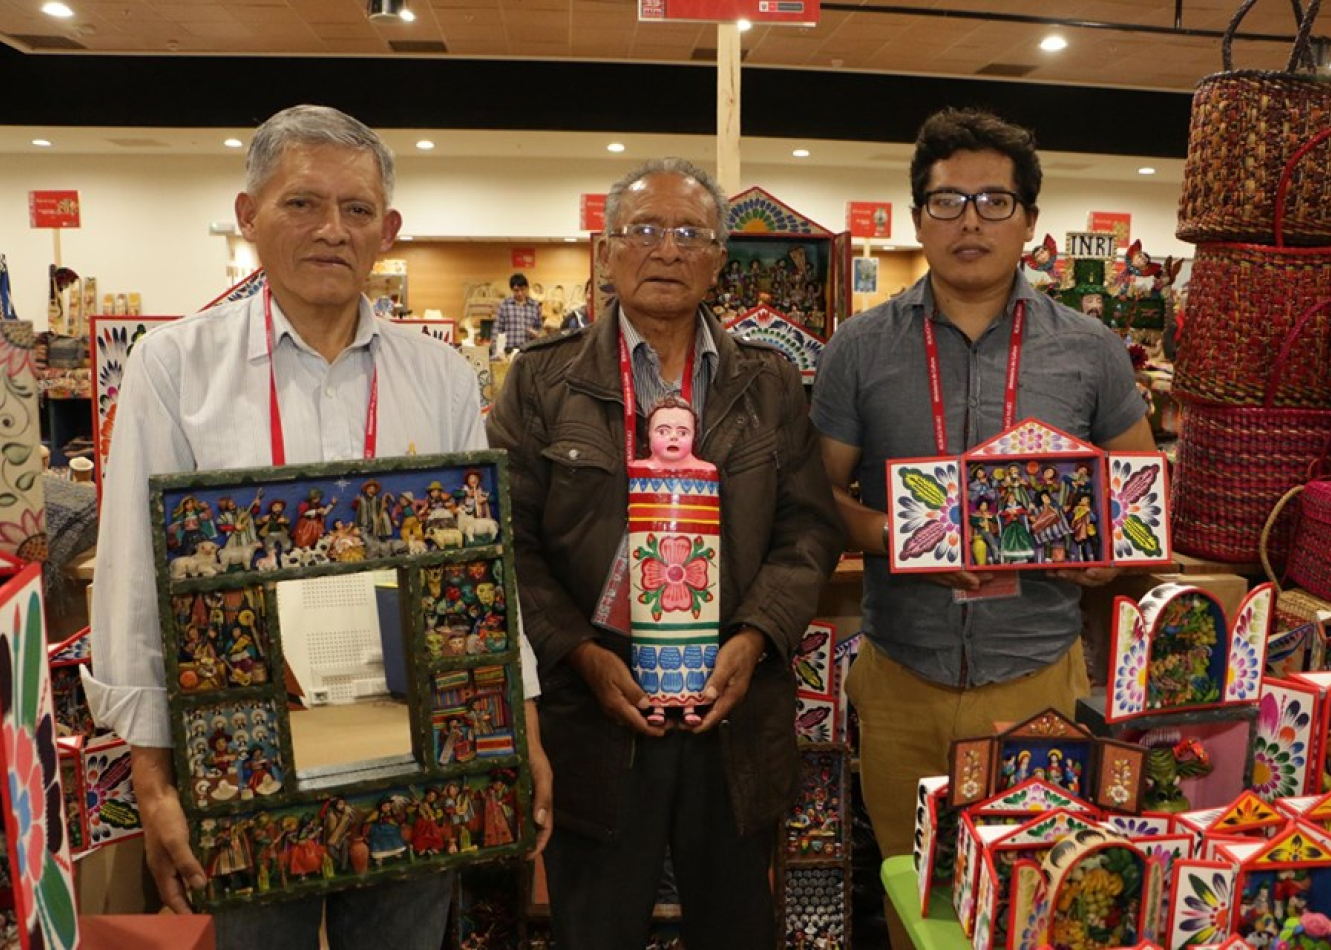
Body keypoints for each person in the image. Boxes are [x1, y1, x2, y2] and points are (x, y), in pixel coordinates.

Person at [84, 104, 552, 950]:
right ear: (248, 215)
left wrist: (521, 728)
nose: (331, 229)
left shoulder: (441, 375)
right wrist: (153, 784)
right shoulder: (175, 367)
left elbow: (486, 572)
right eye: (301, 203)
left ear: (387, 231)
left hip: (415, 745)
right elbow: (131, 581)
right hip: (242, 752)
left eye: (357, 209)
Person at [810, 107, 1154, 934]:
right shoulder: (859, 347)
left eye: (994, 202)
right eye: (947, 201)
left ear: (1028, 221)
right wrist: (897, 537)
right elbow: (815, 497)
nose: (970, 222)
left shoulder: (1090, 348)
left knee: (1030, 901)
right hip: (901, 672)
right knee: (912, 898)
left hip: (1035, 673)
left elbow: (1138, 494)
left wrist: (1106, 554)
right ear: (917, 217)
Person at [488, 156, 843, 950]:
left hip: (731, 707)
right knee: (596, 927)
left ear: (718, 261)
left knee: (736, 925)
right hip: (595, 711)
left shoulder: (769, 383)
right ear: (607, 251)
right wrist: (579, 653)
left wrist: (755, 637)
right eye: (644, 230)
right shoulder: (543, 383)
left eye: (691, 234)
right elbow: (508, 542)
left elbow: (809, 530)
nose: (667, 250)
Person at [495, 271, 543, 352]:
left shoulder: (535, 305)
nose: (520, 293)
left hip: (529, 350)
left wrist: (536, 333)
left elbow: (540, 328)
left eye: (522, 289)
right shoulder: (504, 305)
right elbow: (497, 330)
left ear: (527, 288)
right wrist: (498, 351)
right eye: (516, 290)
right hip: (509, 350)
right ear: (512, 290)